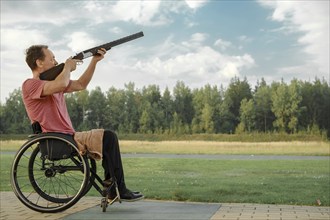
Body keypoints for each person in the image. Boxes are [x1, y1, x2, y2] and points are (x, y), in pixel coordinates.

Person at [22, 44, 143, 202]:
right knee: (109, 137)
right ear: (39, 63)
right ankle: (117, 189)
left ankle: (113, 188)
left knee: (108, 138)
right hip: (58, 140)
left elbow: (81, 85)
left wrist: (94, 61)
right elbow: (61, 84)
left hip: (68, 137)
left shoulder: (54, 82)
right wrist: (67, 67)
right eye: (52, 59)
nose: (55, 61)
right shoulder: (30, 84)